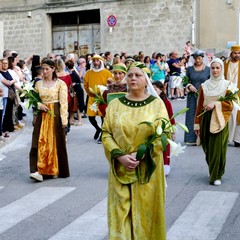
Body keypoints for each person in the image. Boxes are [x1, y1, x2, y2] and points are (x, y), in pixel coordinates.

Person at [102, 62, 168, 239]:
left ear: (146, 81)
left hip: (148, 169)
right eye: (130, 75)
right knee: (120, 212)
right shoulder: (115, 104)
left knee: (146, 213)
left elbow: (164, 134)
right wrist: (120, 155)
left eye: (138, 75)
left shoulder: (156, 105)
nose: (133, 78)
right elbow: (106, 133)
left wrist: (141, 154)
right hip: (120, 167)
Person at [29, 59, 70, 182]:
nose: (45, 71)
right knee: (38, 141)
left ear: (53, 69)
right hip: (42, 114)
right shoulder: (38, 84)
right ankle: (37, 170)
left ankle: (54, 169)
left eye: (47, 69)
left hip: (55, 113)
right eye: (43, 69)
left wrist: (64, 120)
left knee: (55, 142)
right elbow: (33, 99)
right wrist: (38, 105)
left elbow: (63, 102)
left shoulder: (60, 84)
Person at [194, 58, 233, 186]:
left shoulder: (228, 85)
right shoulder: (204, 85)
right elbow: (199, 106)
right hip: (206, 118)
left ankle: (216, 175)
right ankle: (213, 169)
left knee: (218, 148)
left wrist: (216, 104)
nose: (215, 70)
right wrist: (197, 124)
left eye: (218, 68)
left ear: (222, 69)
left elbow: (230, 104)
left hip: (220, 119)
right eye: (213, 68)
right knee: (208, 148)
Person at [83, 54, 113, 143]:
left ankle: (102, 134)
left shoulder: (106, 72)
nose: (96, 62)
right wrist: (90, 93)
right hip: (92, 97)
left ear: (101, 61)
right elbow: (85, 85)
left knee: (103, 117)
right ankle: (98, 129)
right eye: (94, 61)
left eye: (97, 60)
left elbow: (111, 83)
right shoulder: (88, 73)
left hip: (103, 98)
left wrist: (108, 85)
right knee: (91, 117)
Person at [184, 50, 210, 145]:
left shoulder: (208, 69)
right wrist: (189, 86)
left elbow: (211, 81)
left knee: (203, 115)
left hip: (204, 96)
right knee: (191, 115)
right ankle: (191, 138)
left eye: (199, 58)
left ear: (202, 58)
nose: (197, 60)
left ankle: (203, 138)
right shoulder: (189, 69)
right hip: (192, 96)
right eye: (195, 58)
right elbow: (185, 81)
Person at [152, 81, 176, 176]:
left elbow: (171, 117)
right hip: (154, 128)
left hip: (164, 129)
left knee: (165, 148)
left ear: (161, 90)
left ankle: (165, 165)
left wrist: (172, 131)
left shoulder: (166, 102)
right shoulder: (150, 101)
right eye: (152, 88)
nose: (154, 90)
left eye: (156, 89)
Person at [224, 45, 240, 147]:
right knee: (228, 116)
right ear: (231, 53)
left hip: (239, 93)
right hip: (227, 93)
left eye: (239, 53)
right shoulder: (225, 64)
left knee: (238, 117)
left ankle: (237, 139)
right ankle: (226, 138)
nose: (237, 55)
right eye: (235, 53)